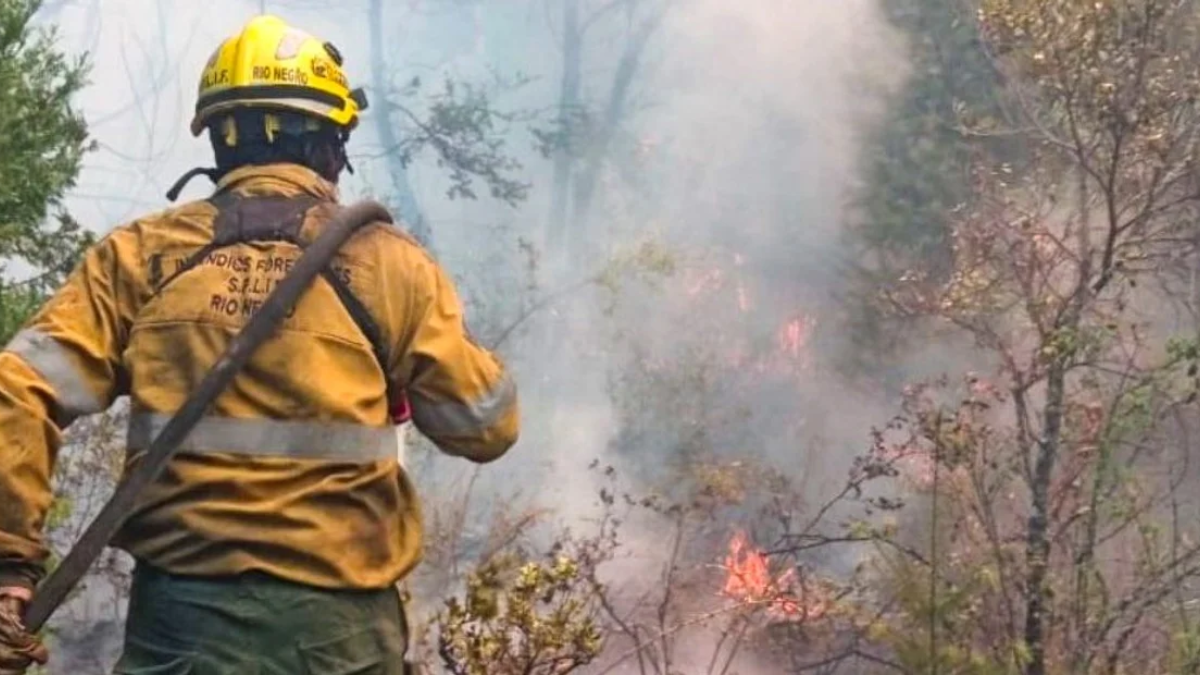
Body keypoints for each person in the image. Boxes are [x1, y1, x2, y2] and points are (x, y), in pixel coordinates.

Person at [0, 14, 519, 674]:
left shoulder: (138, 257)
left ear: (220, 140)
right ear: (331, 144)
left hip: (179, 629)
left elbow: (18, 384)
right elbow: (487, 426)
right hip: (341, 638)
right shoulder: (391, 264)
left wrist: (10, 566)